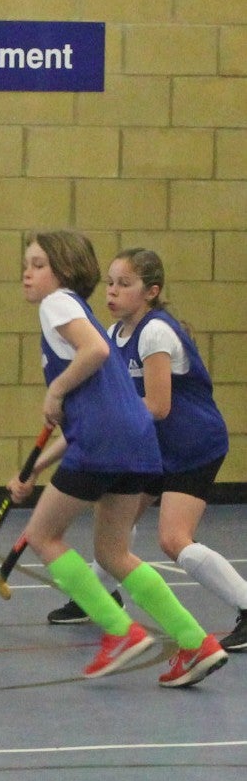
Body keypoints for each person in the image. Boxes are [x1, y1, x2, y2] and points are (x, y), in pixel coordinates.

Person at [9, 232, 225, 687]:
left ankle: (119, 631)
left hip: (106, 442)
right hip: (138, 443)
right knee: (112, 552)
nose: (28, 273)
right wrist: (36, 468)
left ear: (63, 272)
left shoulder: (57, 305)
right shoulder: (80, 312)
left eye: (38, 264)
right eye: (25, 264)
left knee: (43, 535)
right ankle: (195, 640)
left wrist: (57, 387)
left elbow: (96, 351)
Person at [105, 248, 247, 653]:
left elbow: (157, 405)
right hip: (157, 446)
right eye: (110, 282)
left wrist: (108, 422)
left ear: (151, 291)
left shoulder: (155, 333)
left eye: (124, 284)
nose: (113, 292)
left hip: (192, 444)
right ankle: (97, 596)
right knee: (115, 521)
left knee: (173, 538)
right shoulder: (114, 335)